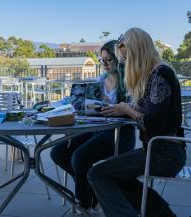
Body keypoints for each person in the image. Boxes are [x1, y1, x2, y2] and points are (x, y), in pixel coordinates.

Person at [87, 28, 185, 217]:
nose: (127, 64)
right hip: (160, 150)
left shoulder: (160, 75)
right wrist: (121, 109)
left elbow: (154, 124)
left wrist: (127, 109)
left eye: (127, 58)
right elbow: (154, 115)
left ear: (137, 52)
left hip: (165, 153)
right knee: (116, 177)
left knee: (97, 174)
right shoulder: (157, 73)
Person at [50, 40, 136, 216]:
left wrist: (119, 109)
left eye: (108, 60)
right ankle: (92, 192)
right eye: (101, 59)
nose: (103, 63)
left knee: (80, 157)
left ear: (119, 59)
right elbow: (92, 108)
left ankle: (85, 202)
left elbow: (133, 111)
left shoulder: (129, 81)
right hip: (97, 129)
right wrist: (78, 104)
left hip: (119, 133)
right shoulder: (101, 80)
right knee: (57, 152)